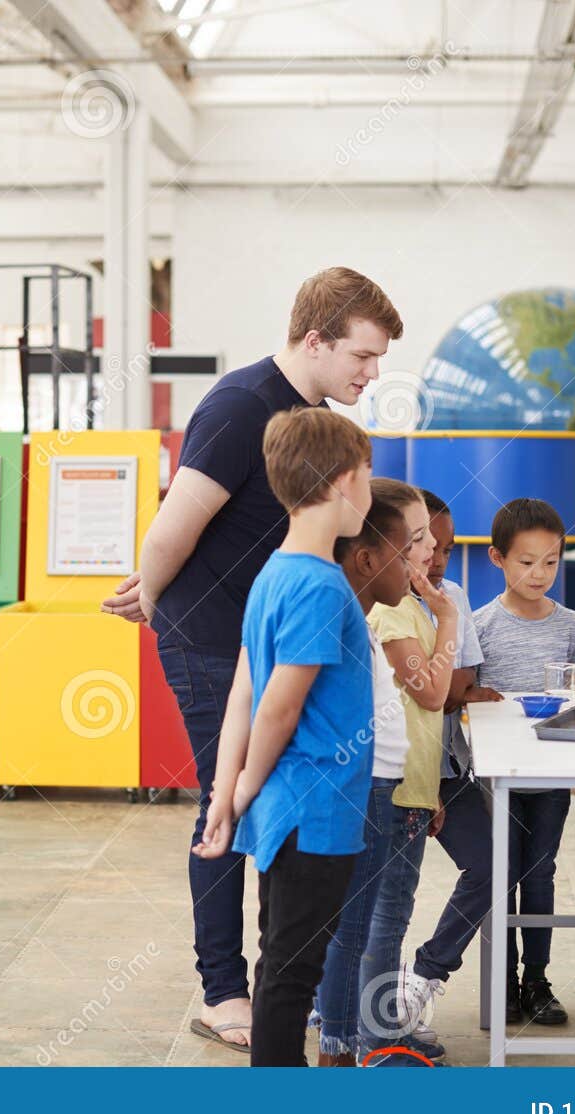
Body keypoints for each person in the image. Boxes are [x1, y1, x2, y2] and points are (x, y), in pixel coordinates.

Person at [103, 269, 402, 1053]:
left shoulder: (312, 419)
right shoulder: (241, 405)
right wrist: (156, 597)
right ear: (315, 340)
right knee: (225, 803)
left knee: (255, 801)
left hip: (261, 636)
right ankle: (224, 989)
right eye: (362, 356)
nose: (370, 375)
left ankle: (275, 976)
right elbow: (175, 524)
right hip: (212, 636)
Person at [191, 406, 377, 1067]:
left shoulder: (274, 570)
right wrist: (235, 792)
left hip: (284, 810)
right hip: (312, 811)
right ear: (340, 480)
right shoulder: (321, 585)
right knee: (292, 977)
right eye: (368, 474)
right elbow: (276, 706)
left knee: (282, 965)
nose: (370, 491)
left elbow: (244, 690)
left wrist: (224, 795)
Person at [472, 498, 575, 1026]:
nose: (539, 573)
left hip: (551, 773)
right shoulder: (480, 625)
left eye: (550, 561)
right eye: (526, 562)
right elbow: (468, 699)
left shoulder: (569, 625)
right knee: (501, 874)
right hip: (497, 779)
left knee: (540, 874)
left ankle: (536, 980)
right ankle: (502, 979)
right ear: (498, 559)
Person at [354, 479, 458, 1061]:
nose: (428, 551)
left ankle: (361, 1020)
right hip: (389, 792)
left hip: (410, 788)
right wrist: (448, 618)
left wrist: (430, 789)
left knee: (381, 915)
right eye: (417, 540)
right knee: (384, 920)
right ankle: (379, 1038)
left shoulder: (409, 604)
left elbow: (422, 725)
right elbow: (435, 693)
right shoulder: (396, 610)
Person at [310, 481, 413, 1066]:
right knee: (352, 930)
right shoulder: (348, 617)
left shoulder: (359, 615)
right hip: (363, 790)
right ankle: (339, 1051)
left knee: (354, 925)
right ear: (367, 559)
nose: (417, 561)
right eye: (408, 549)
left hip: (376, 787)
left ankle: (338, 1040)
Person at [396, 490, 503, 1037]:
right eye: (426, 544)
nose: (437, 558)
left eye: (446, 547)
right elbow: (438, 692)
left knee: (493, 865)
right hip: (399, 772)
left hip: (446, 767)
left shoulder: (452, 595)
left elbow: (461, 686)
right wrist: (450, 686)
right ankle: (351, 996)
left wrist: (451, 687)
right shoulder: (384, 603)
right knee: (387, 893)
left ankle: (425, 974)